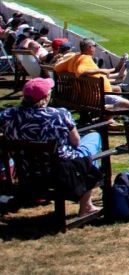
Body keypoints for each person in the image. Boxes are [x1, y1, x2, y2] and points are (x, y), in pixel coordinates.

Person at [0, 78, 104, 216]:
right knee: (93, 138)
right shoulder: (59, 115)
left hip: (26, 171)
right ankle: (86, 205)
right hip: (62, 172)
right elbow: (76, 143)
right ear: (46, 96)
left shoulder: (8, 115)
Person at [54, 38, 129, 110]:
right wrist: (100, 71)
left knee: (117, 88)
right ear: (90, 48)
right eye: (94, 46)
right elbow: (80, 72)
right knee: (126, 103)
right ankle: (108, 118)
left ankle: (114, 112)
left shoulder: (75, 57)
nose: (95, 48)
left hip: (83, 94)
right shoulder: (85, 58)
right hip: (94, 98)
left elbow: (56, 68)